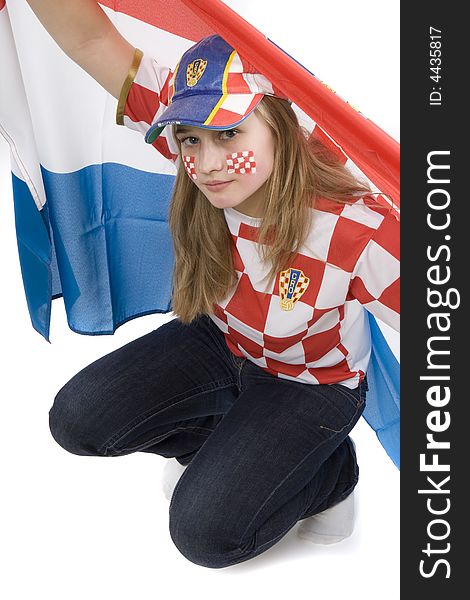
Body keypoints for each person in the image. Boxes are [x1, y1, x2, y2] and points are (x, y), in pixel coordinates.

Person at [26, 0, 399, 569]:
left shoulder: (356, 226)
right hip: (220, 343)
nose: (208, 162)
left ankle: (331, 473)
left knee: (204, 534)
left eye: (229, 134)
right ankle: (234, 445)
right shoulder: (195, 151)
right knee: (77, 420)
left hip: (308, 383)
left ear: (278, 123)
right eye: (191, 139)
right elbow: (90, 42)